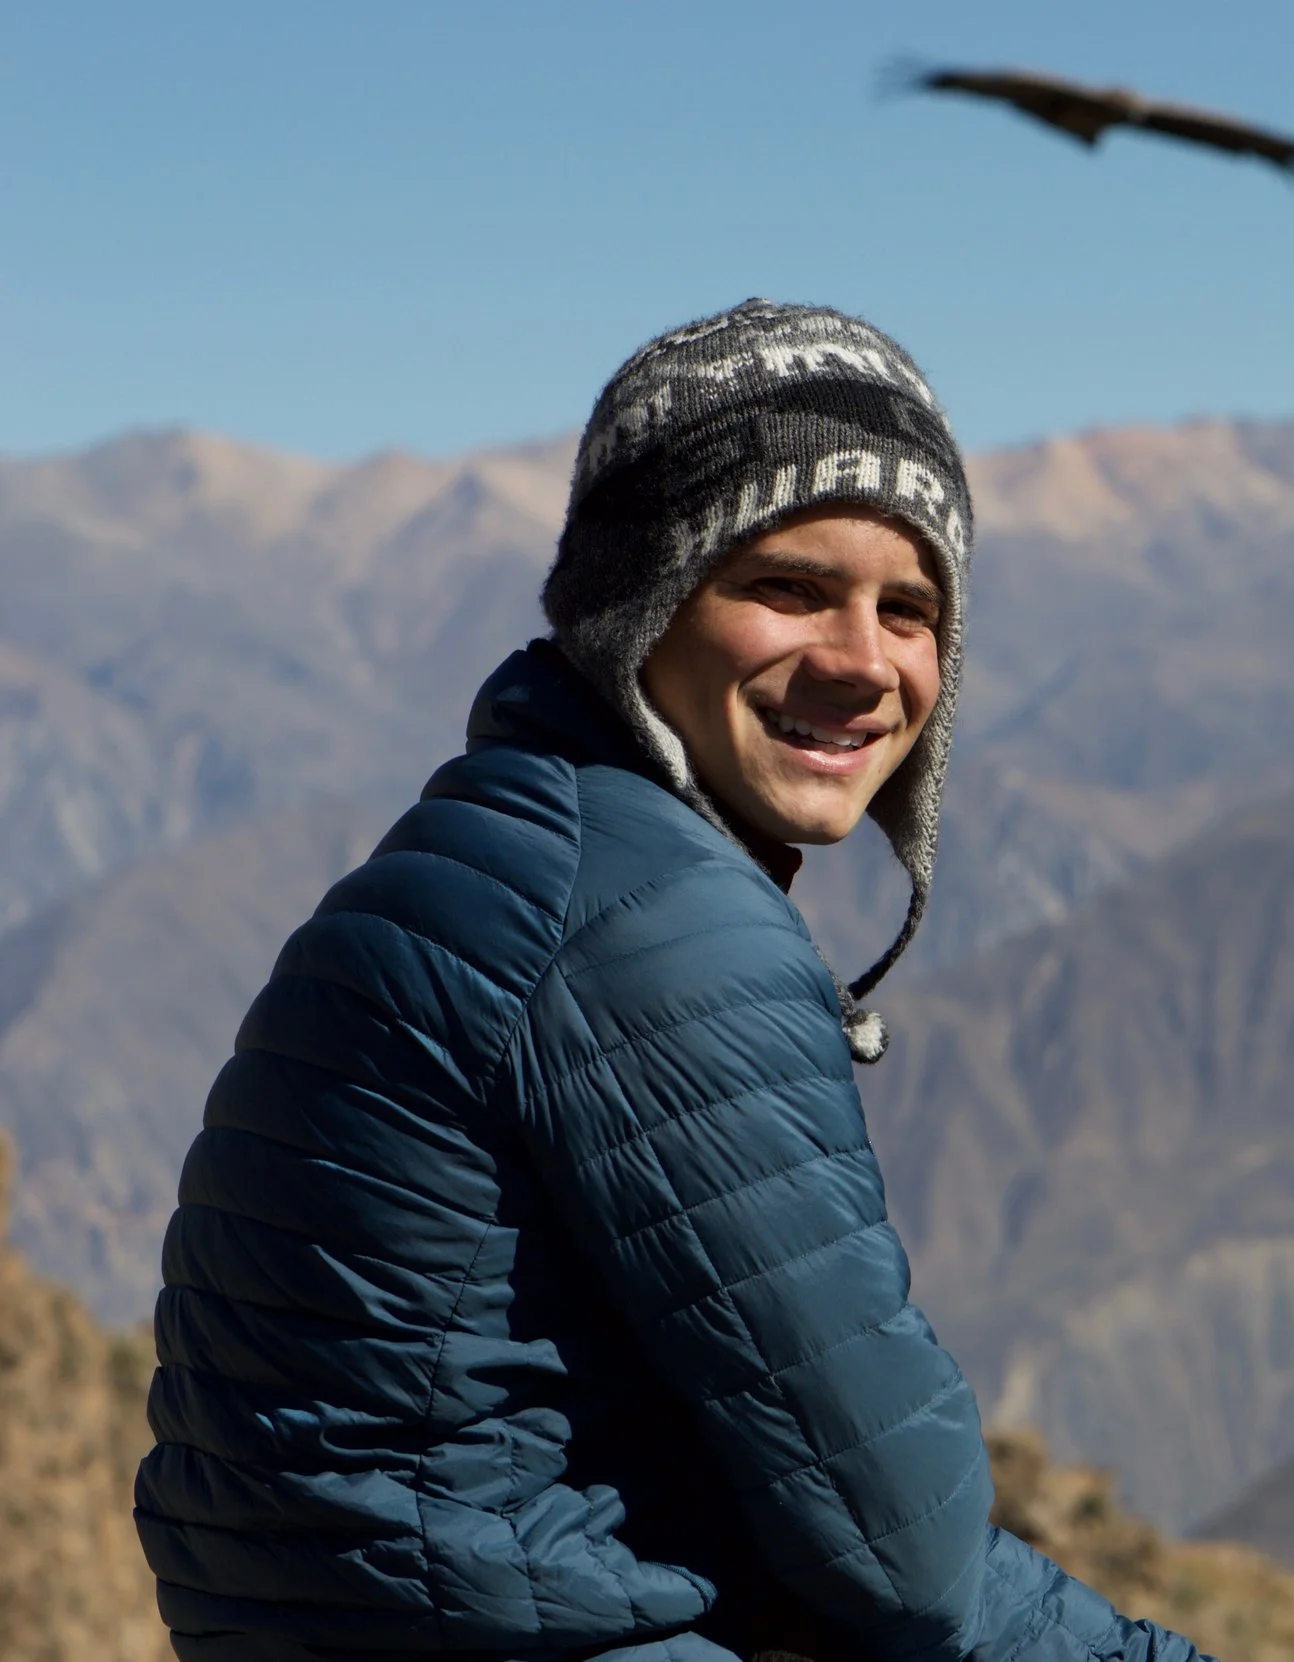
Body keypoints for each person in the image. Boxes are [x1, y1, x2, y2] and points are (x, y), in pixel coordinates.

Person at [133, 301, 1211, 1662]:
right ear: (642, 597)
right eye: (788, 588)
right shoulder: (654, 923)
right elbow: (904, 1552)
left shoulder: (513, 836)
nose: (862, 661)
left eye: (913, 609)